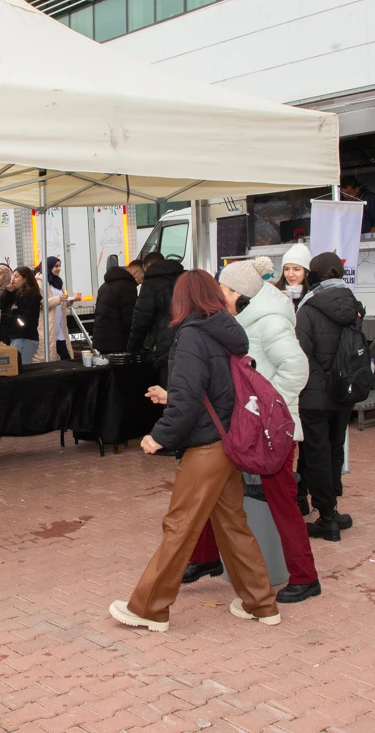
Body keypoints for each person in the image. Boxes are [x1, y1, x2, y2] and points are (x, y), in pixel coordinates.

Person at [111, 269, 279, 632]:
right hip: (227, 441)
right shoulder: (224, 330)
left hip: (207, 447)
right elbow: (213, 388)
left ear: (182, 299)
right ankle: (261, 603)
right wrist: (171, 396)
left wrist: (160, 435)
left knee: (180, 525)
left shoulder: (191, 334)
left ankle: (149, 608)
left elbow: (189, 398)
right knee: (232, 525)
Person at [182, 257, 320, 603]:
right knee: (214, 490)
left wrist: (267, 409)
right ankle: (205, 557)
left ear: (239, 293)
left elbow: (297, 369)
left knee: (282, 502)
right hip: (244, 427)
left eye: (223, 290)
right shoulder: (239, 320)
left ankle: (305, 576)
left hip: (272, 431)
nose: (218, 296)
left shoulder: (270, 322)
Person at [295, 253, 360, 541]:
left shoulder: (308, 308)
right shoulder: (352, 303)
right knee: (334, 450)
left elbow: (300, 352)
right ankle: (332, 508)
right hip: (344, 391)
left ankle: (327, 517)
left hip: (314, 394)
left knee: (316, 453)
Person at [127, 252, 184, 384]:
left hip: (163, 347)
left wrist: (132, 349)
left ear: (147, 266)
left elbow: (141, 320)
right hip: (185, 341)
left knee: (165, 388)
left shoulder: (151, 283)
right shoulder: (183, 277)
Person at [0, 266, 42, 364]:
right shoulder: (15, 295)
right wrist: (7, 293)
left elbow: (24, 321)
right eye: (13, 277)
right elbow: (0, 309)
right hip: (13, 337)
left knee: (21, 366)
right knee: (14, 367)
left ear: (25, 279)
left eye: (16, 277)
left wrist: (5, 318)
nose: (13, 280)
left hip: (25, 338)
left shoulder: (31, 297)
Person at [34, 256, 74, 362]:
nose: (58, 269)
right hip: (47, 326)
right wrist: (58, 299)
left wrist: (70, 301)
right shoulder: (40, 282)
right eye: (56, 266)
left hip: (59, 325)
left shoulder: (59, 282)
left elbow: (61, 303)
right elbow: (41, 303)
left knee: (66, 356)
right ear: (49, 266)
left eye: (59, 266)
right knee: (49, 356)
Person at [93, 261, 138, 354]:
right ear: (135, 273)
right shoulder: (128, 286)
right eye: (142, 278)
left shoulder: (105, 285)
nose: (141, 282)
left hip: (102, 340)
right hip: (117, 342)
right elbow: (129, 318)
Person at [275, 243, 312, 308]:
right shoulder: (275, 292)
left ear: (306, 272)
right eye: (286, 269)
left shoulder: (315, 294)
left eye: (296, 269)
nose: (290, 274)